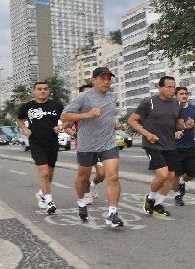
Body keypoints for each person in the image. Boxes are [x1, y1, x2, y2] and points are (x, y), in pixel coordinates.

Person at [61, 67, 124, 228]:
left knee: (113, 177)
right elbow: (65, 116)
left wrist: (115, 123)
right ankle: (81, 202)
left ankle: (112, 213)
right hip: (87, 144)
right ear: (93, 80)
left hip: (108, 144)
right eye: (102, 78)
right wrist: (86, 115)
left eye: (109, 79)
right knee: (83, 178)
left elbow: (108, 116)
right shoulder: (83, 97)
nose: (106, 81)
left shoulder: (113, 96)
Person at [127, 76, 194, 216]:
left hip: (169, 144)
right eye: (168, 87)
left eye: (173, 87)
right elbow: (132, 120)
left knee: (171, 177)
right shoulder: (149, 103)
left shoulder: (177, 104)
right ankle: (150, 197)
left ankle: (157, 204)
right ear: (160, 88)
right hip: (152, 144)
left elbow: (178, 124)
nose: (171, 90)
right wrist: (146, 134)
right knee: (163, 174)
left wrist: (185, 126)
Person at [17, 82, 64, 214]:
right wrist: (24, 128)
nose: (42, 91)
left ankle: (42, 193)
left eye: (45, 89)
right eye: (39, 89)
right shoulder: (27, 106)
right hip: (36, 142)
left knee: (49, 174)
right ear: (34, 91)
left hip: (52, 142)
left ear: (49, 91)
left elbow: (66, 119)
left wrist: (61, 127)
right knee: (43, 173)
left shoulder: (56, 106)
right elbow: (19, 119)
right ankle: (49, 201)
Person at [63, 84, 105, 205]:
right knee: (85, 174)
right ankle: (86, 195)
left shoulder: (100, 109)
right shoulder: (76, 112)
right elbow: (67, 127)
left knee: (102, 174)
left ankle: (94, 184)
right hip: (84, 146)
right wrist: (75, 135)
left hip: (100, 146)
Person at [172, 87, 195, 206]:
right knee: (176, 174)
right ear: (175, 96)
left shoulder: (193, 108)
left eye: (186, 93)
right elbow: (168, 126)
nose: (184, 96)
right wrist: (182, 127)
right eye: (181, 94)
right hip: (176, 148)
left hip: (190, 146)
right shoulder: (172, 110)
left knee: (193, 173)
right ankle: (177, 196)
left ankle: (182, 182)